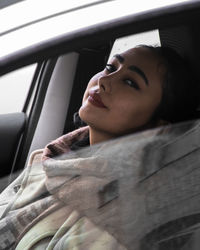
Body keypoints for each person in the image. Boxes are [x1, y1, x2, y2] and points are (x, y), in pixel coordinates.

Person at [0, 45, 199, 250]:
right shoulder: (52, 160)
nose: (104, 81)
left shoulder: (126, 215)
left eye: (130, 82)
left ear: (158, 128)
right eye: (110, 68)